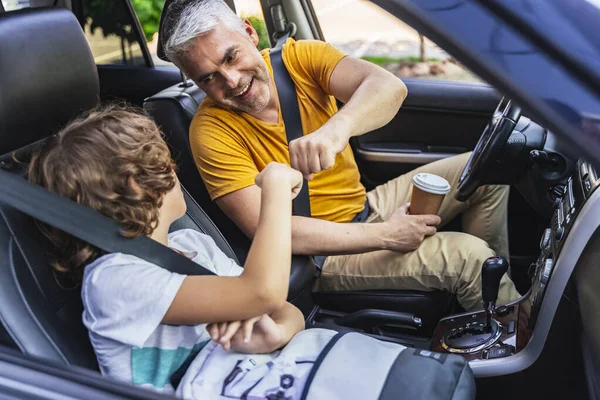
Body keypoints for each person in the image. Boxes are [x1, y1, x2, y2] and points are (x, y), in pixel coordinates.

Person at [159, 0, 520, 311]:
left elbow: (389, 87)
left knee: (487, 172)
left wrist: (336, 130)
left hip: (366, 206)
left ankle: (488, 300)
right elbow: (271, 231)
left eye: (231, 56)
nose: (232, 80)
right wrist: (387, 236)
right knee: (470, 257)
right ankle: (513, 341)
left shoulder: (301, 59)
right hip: (323, 255)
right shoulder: (209, 132)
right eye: (209, 78)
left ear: (250, 34)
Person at [28, 106, 327, 397]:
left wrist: (277, 335)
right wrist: (275, 191)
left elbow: (284, 310)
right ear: (136, 184)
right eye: (165, 161)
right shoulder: (112, 280)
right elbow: (264, 294)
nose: (175, 170)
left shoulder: (192, 244)